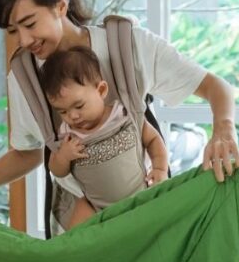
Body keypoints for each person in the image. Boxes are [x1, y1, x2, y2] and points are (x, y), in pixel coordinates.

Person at [0, 0, 239, 226]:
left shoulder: (127, 45)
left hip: (146, 208)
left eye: (29, 23)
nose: (24, 40)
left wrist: (224, 128)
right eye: (12, 30)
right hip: (83, 222)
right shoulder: (23, 78)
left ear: (60, 7)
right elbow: (27, 153)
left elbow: (216, 87)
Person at [39, 46, 168, 229]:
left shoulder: (124, 115)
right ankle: (77, 253)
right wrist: (64, 157)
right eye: (63, 111)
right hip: (96, 208)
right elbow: (57, 170)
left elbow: (153, 139)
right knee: (77, 230)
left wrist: (160, 168)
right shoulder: (67, 135)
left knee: (162, 217)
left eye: (79, 106)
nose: (73, 116)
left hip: (139, 196)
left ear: (101, 90)